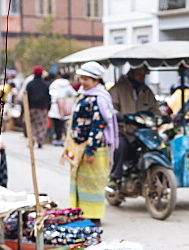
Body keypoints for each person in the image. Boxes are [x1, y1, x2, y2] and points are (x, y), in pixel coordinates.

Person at [69, 62, 118, 224]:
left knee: (92, 183)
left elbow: (98, 125)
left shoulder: (98, 99)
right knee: (81, 181)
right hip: (80, 146)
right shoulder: (85, 95)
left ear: (97, 80)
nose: (82, 82)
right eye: (81, 78)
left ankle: (94, 216)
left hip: (93, 148)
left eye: (86, 79)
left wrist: (91, 150)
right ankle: (81, 212)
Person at [108, 65, 162, 180]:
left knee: (160, 145)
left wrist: (163, 117)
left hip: (143, 132)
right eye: (139, 74)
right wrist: (120, 115)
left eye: (144, 75)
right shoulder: (118, 89)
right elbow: (110, 108)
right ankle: (114, 177)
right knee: (121, 147)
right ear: (131, 74)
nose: (142, 77)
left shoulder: (147, 91)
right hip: (123, 130)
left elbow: (155, 109)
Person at [25, 66, 51, 148]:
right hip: (42, 108)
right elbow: (48, 97)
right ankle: (40, 140)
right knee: (41, 124)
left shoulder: (30, 84)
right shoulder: (46, 84)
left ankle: (31, 139)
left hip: (31, 107)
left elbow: (26, 96)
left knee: (31, 124)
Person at [48, 72, 77, 146]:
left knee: (55, 124)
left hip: (54, 105)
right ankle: (60, 138)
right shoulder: (67, 85)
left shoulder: (54, 83)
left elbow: (50, 93)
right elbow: (74, 94)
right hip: (62, 107)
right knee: (61, 124)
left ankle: (57, 138)